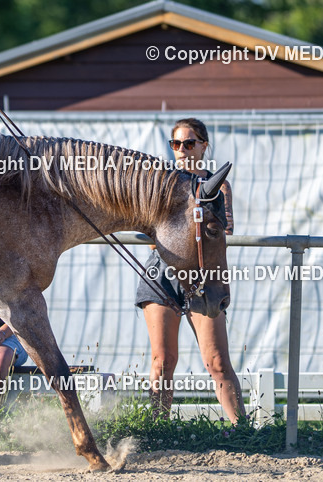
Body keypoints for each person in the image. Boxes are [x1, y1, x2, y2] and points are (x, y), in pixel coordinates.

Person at [135, 118, 246, 423]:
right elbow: (150, 237)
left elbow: (225, 230)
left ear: (203, 145)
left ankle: (244, 431)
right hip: (163, 271)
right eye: (176, 144)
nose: (182, 150)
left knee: (217, 361)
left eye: (189, 143)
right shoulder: (160, 181)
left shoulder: (218, 184)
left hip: (202, 272)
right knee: (162, 360)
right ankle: (158, 430)